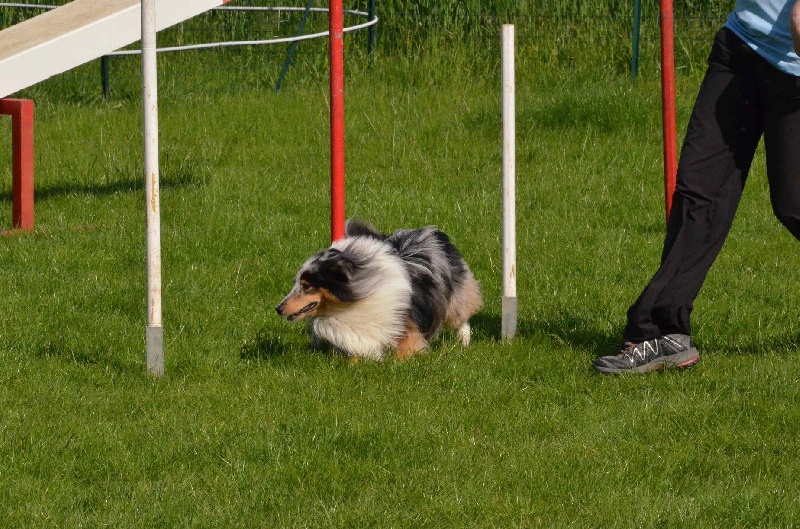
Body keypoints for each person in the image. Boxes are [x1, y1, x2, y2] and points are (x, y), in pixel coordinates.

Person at [593, 0, 800, 374]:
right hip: (740, 48)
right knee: (699, 195)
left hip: (795, 68)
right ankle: (663, 331)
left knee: (793, 204)